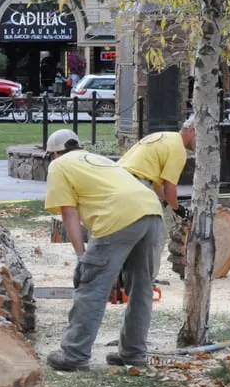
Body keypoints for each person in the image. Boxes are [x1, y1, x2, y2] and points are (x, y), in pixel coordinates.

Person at [43, 129, 164, 371]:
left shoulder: (59, 166)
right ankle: (133, 353)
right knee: (142, 289)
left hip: (117, 217)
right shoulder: (100, 160)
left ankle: (74, 355)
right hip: (152, 213)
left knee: (92, 288)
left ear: (55, 153)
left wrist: (81, 256)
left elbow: (68, 213)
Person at [117, 119, 196, 278]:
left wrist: (169, 206)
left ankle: (123, 275)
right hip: (135, 185)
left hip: (119, 180)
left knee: (128, 232)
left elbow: (157, 185)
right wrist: (178, 210)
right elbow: (170, 187)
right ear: (192, 131)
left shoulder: (165, 137)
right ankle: (147, 280)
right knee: (156, 233)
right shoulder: (178, 149)